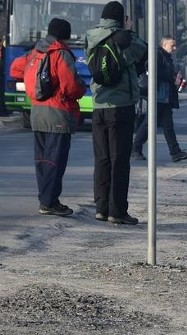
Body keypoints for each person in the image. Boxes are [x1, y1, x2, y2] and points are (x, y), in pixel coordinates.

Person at [9, 18, 86, 217]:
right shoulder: (60, 53)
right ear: (65, 35)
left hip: (37, 112)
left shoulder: (36, 51)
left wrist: (33, 80)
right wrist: (82, 88)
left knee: (42, 159)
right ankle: (49, 202)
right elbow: (71, 86)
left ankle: (45, 197)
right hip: (58, 112)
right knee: (55, 160)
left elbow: (15, 69)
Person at [86, 1, 147, 225]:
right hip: (121, 106)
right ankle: (117, 211)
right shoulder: (126, 39)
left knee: (101, 160)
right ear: (121, 19)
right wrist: (128, 29)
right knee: (120, 160)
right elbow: (142, 50)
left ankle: (101, 208)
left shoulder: (91, 36)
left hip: (98, 105)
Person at [132, 35, 187, 163]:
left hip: (165, 97)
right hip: (157, 96)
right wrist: (172, 78)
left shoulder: (167, 57)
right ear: (164, 45)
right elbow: (156, 71)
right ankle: (135, 148)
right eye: (172, 45)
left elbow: (167, 73)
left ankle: (175, 152)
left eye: (175, 45)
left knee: (168, 126)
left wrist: (176, 78)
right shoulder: (157, 55)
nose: (174, 48)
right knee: (148, 124)